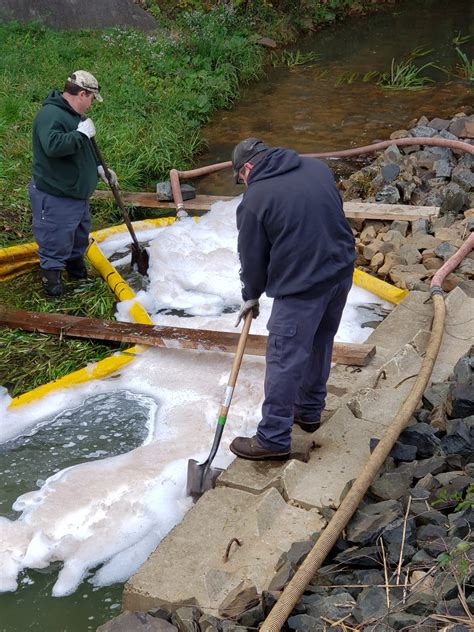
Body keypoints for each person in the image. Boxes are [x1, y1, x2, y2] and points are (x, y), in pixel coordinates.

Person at [229, 138, 356, 460]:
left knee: (285, 360)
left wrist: (250, 296)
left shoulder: (255, 200)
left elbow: (253, 258)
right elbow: (328, 217)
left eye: (241, 178)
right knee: (320, 342)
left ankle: (272, 439)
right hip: (340, 274)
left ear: (247, 168)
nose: (244, 184)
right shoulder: (316, 167)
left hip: (301, 289)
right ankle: (309, 411)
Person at [29, 70, 118, 297]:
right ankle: (52, 290)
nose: (90, 105)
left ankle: (77, 275)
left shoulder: (74, 116)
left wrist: (100, 168)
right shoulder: (50, 115)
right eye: (90, 99)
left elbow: (84, 149)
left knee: (78, 236)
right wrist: (80, 135)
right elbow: (53, 146)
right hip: (56, 195)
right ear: (81, 94)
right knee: (55, 238)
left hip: (76, 195)